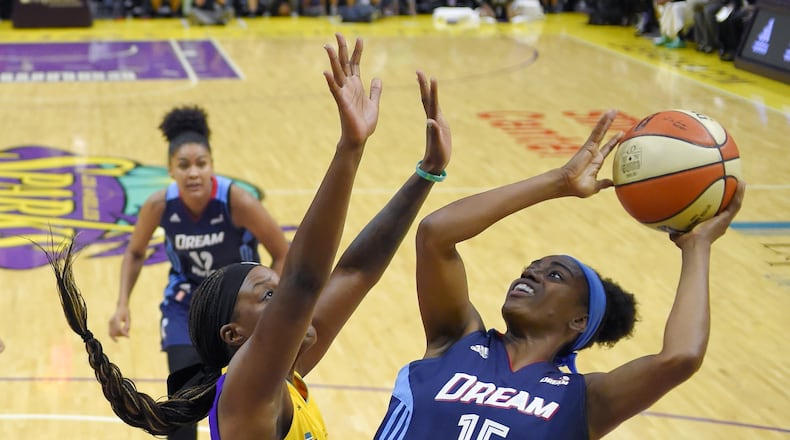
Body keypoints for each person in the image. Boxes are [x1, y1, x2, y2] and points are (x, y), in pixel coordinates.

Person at [47, 32, 452, 440]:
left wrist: (427, 172)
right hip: (182, 306)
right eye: (271, 296)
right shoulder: (245, 392)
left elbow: (355, 272)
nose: (293, 302)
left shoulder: (286, 375)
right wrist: (350, 147)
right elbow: (304, 280)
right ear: (234, 335)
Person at [374, 109, 746, 439]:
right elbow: (436, 234)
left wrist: (697, 248)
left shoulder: (583, 400)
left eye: (554, 275)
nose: (533, 274)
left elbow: (679, 357)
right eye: (531, 269)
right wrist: (558, 182)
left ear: (579, 320)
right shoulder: (457, 340)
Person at [107, 104, 289, 439]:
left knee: (253, 399)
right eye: (184, 165)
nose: (193, 173)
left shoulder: (237, 201)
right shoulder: (159, 205)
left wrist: (272, 304)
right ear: (170, 170)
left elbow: (282, 253)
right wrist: (122, 304)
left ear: (212, 167)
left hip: (237, 310)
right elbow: (134, 253)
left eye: (201, 164)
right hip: (184, 306)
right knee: (181, 407)